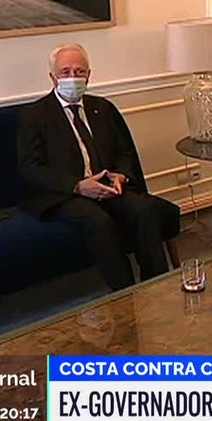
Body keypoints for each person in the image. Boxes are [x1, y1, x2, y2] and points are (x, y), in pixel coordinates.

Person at [17, 43, 170, 291]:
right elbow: (30, 168)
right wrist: (77, 186)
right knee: (98, 221)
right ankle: (127, 294)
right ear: (53, 77)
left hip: (107, 187)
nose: (73, 77)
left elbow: (124, 152)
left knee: (145, 209)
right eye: (65, 72)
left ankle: (157, 286)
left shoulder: (102, 108)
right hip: (65, 194)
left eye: (79, 72)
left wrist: (121, 175)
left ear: (89, 75)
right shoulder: (34, 115)